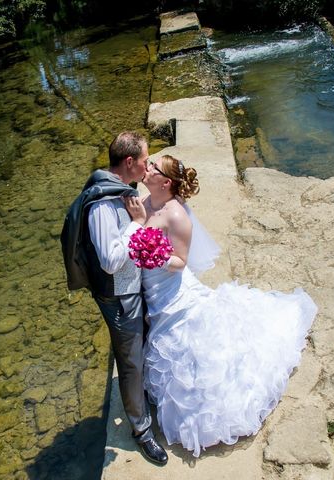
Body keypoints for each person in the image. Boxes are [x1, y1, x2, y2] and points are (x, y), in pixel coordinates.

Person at [124, 155, 318, 458]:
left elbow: (180, 262)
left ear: (166, 182)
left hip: (171, 293)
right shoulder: (146, 200)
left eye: (153, 167)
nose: (145, 168)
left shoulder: (177, 216)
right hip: (152, 291)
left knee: (196, 352)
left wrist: (152, 253)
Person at [60, 131, 168, 465]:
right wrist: (136, 224)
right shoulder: (103, 205)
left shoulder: (119, 188)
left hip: (132, 287)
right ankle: (141, 431)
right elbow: (108, 260)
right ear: (130, 162)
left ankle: (143, 400)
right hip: (119, 296)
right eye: (146, 160)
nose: (149, 165)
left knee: (141, 348)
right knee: (130, 362)